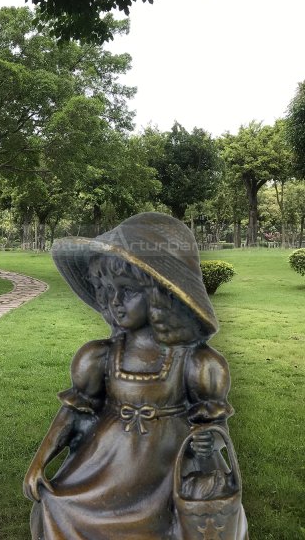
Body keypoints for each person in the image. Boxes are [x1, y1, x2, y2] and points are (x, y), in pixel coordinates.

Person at [24, 212, 248, 539]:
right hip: (104, 465)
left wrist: (207, 441)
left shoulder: (197, 363)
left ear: (160, 294)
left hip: (165, 474)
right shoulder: (98, 357)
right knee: (56, 503)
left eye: (127, 291)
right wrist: (39, 461)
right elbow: (72, 413)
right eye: (106, 289)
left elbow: (215, 429)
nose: (115, 302)